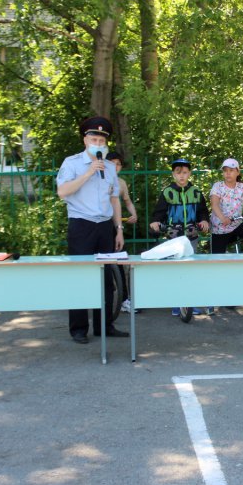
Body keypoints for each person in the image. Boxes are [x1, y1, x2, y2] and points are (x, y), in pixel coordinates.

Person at [56, 116, 129, 343]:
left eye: (101, 140)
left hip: (105, 226)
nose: (98, 143)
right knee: (81, 278)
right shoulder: (72, 163)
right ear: (85, 140)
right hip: (81, 225)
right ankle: (78, 329)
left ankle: (104, 325)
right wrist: (88, 173)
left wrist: (118, 229)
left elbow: (114, 199)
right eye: (94, 139)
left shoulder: (110, 167)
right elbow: (62, 192)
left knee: (106, 279)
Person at [150, 158, 212, 315]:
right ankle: (176, 303)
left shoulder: (196, 192)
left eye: (185, 172)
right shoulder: (167, 192)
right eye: (178, 173)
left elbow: (203, 211)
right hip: (174, 236)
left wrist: (204, 220)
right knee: (176, 269)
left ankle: (190, 304)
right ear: (173, 175)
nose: (182, 176)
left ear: (189, 173)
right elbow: (159, 212)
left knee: (190, 269)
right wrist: (156, 222)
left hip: (192, 236)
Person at [106, 152, 140, 315]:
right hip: (99, 225)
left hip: (115, 226)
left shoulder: (121, 183)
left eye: (118, 164)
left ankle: (124, 299)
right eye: (111, 163)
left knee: (119, 261)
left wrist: (133, 214)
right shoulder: (96, 180)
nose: (115, 167)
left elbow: (127, 202)